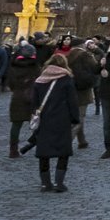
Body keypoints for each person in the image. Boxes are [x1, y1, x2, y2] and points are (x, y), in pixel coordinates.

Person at [29, 52, 79, 194]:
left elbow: (34, 103)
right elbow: (72, 102)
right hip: (62, 120)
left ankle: (45, 184)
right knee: (63, 151)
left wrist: (34, 116)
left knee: (43, 152)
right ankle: (59, 182)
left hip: (44, 120)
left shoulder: (40, 80)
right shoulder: (66, 80)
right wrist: (75, 119)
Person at [6, 42, 40, 159]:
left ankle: (13, 150)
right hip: (33, 97)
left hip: (17, 97)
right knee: (37, 123)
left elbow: (10, 84)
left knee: (16, 125)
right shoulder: (35, 67)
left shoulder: (14, 66)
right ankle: (38, 147)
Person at [66, 36, 100, 149]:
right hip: (83, 88)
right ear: (82, 45)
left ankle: (82, 140)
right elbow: (95, 68)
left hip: (70, 88)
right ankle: (66, 143)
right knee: (79, 116)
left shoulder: (66, 55)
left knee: (77, 115)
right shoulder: (84, 55)